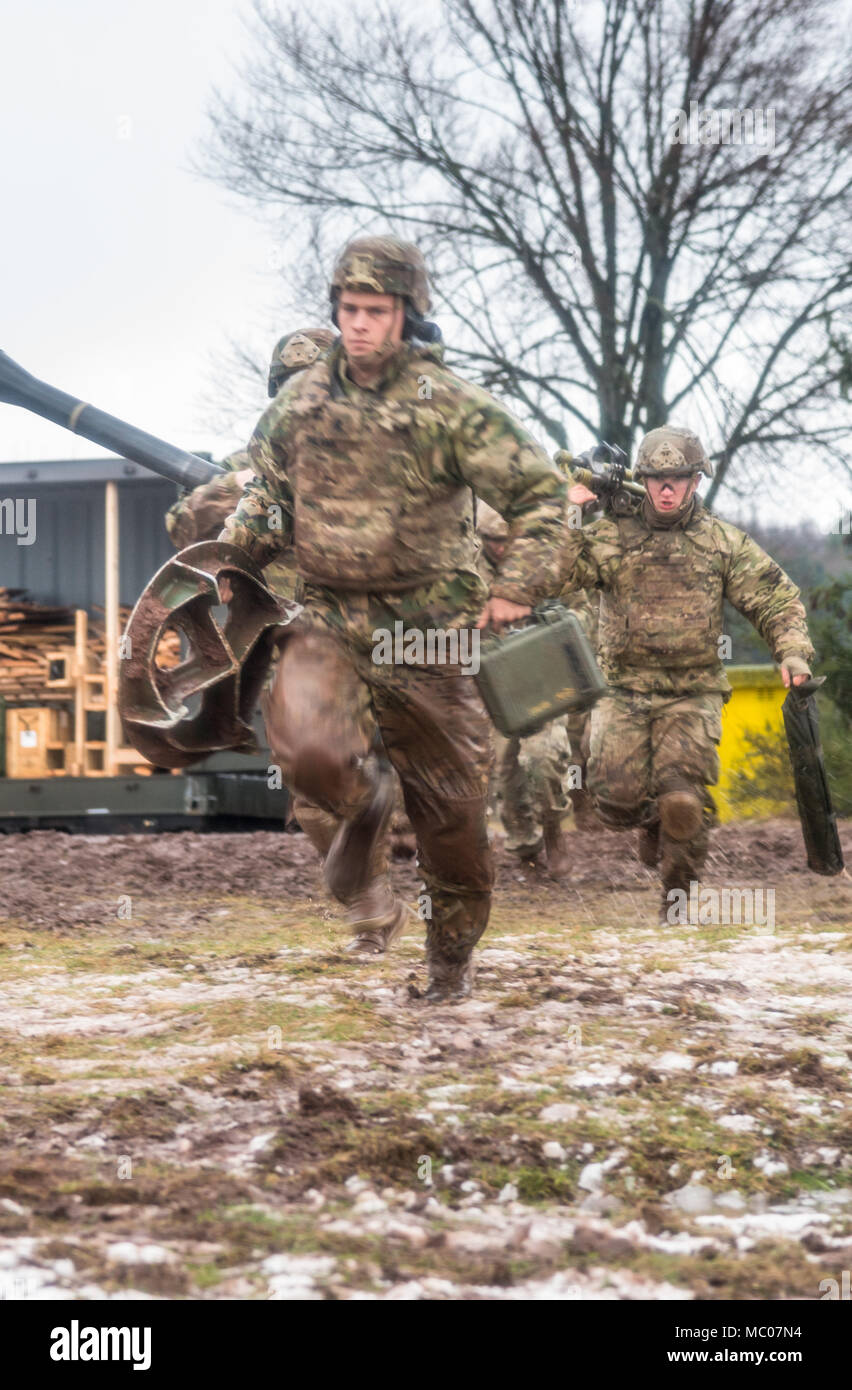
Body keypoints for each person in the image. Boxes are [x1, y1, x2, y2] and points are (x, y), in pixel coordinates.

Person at [218, 235, 566, 999]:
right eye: (349, 310)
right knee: (304, 743)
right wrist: (234, 554)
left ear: (407, 314)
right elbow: (268, 497)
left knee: (454, 821)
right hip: (332, 621)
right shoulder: (301, 404)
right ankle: (364, 807)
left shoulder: (453, 407)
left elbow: (541, 498)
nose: (360, 326)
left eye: (376, 311)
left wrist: (517, 586)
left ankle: (449, 960)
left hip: (431, 633)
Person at [564, 425, 814, 919]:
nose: (666, 487)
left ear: (695, 481)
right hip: (622, 688)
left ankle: (676, 903)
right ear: (643, 478)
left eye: (678, 477)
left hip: (693, 691)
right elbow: (555, 574)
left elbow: (774, 596)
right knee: (612, 800)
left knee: (684, 800)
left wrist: (792, 651)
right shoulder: (611, 534)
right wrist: (571, 510)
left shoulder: (720, 542)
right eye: (656, 477)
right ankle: (652, 818)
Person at [476, 502, 574, 873]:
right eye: (492, 540)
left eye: (507, 540)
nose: (501, 548)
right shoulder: (466, 573)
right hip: (493, 685)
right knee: (505, 771)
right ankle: (525, 845)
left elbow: (576, 609)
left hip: (542, 678)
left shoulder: (541, 560)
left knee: (543, 759)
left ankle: (553, 830)